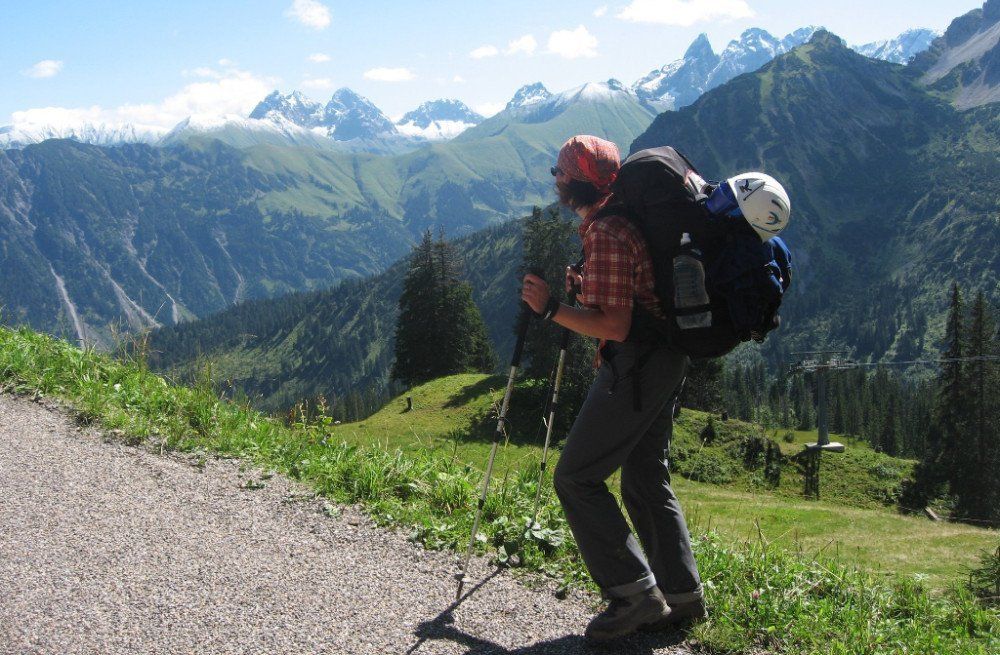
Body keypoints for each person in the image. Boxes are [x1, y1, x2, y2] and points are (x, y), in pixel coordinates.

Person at [520, 135, 705, 642]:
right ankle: (684, 597)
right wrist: (584, 286)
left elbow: (616, 325)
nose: (554, 180)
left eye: (558, 172)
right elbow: (630, 299)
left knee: (577, 477)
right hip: (664, 360)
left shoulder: (607, 230)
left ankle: (634, 595)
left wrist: (551, 308)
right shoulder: (621, 220)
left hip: (637, 368)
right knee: (645, 476)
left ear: (578, 178)